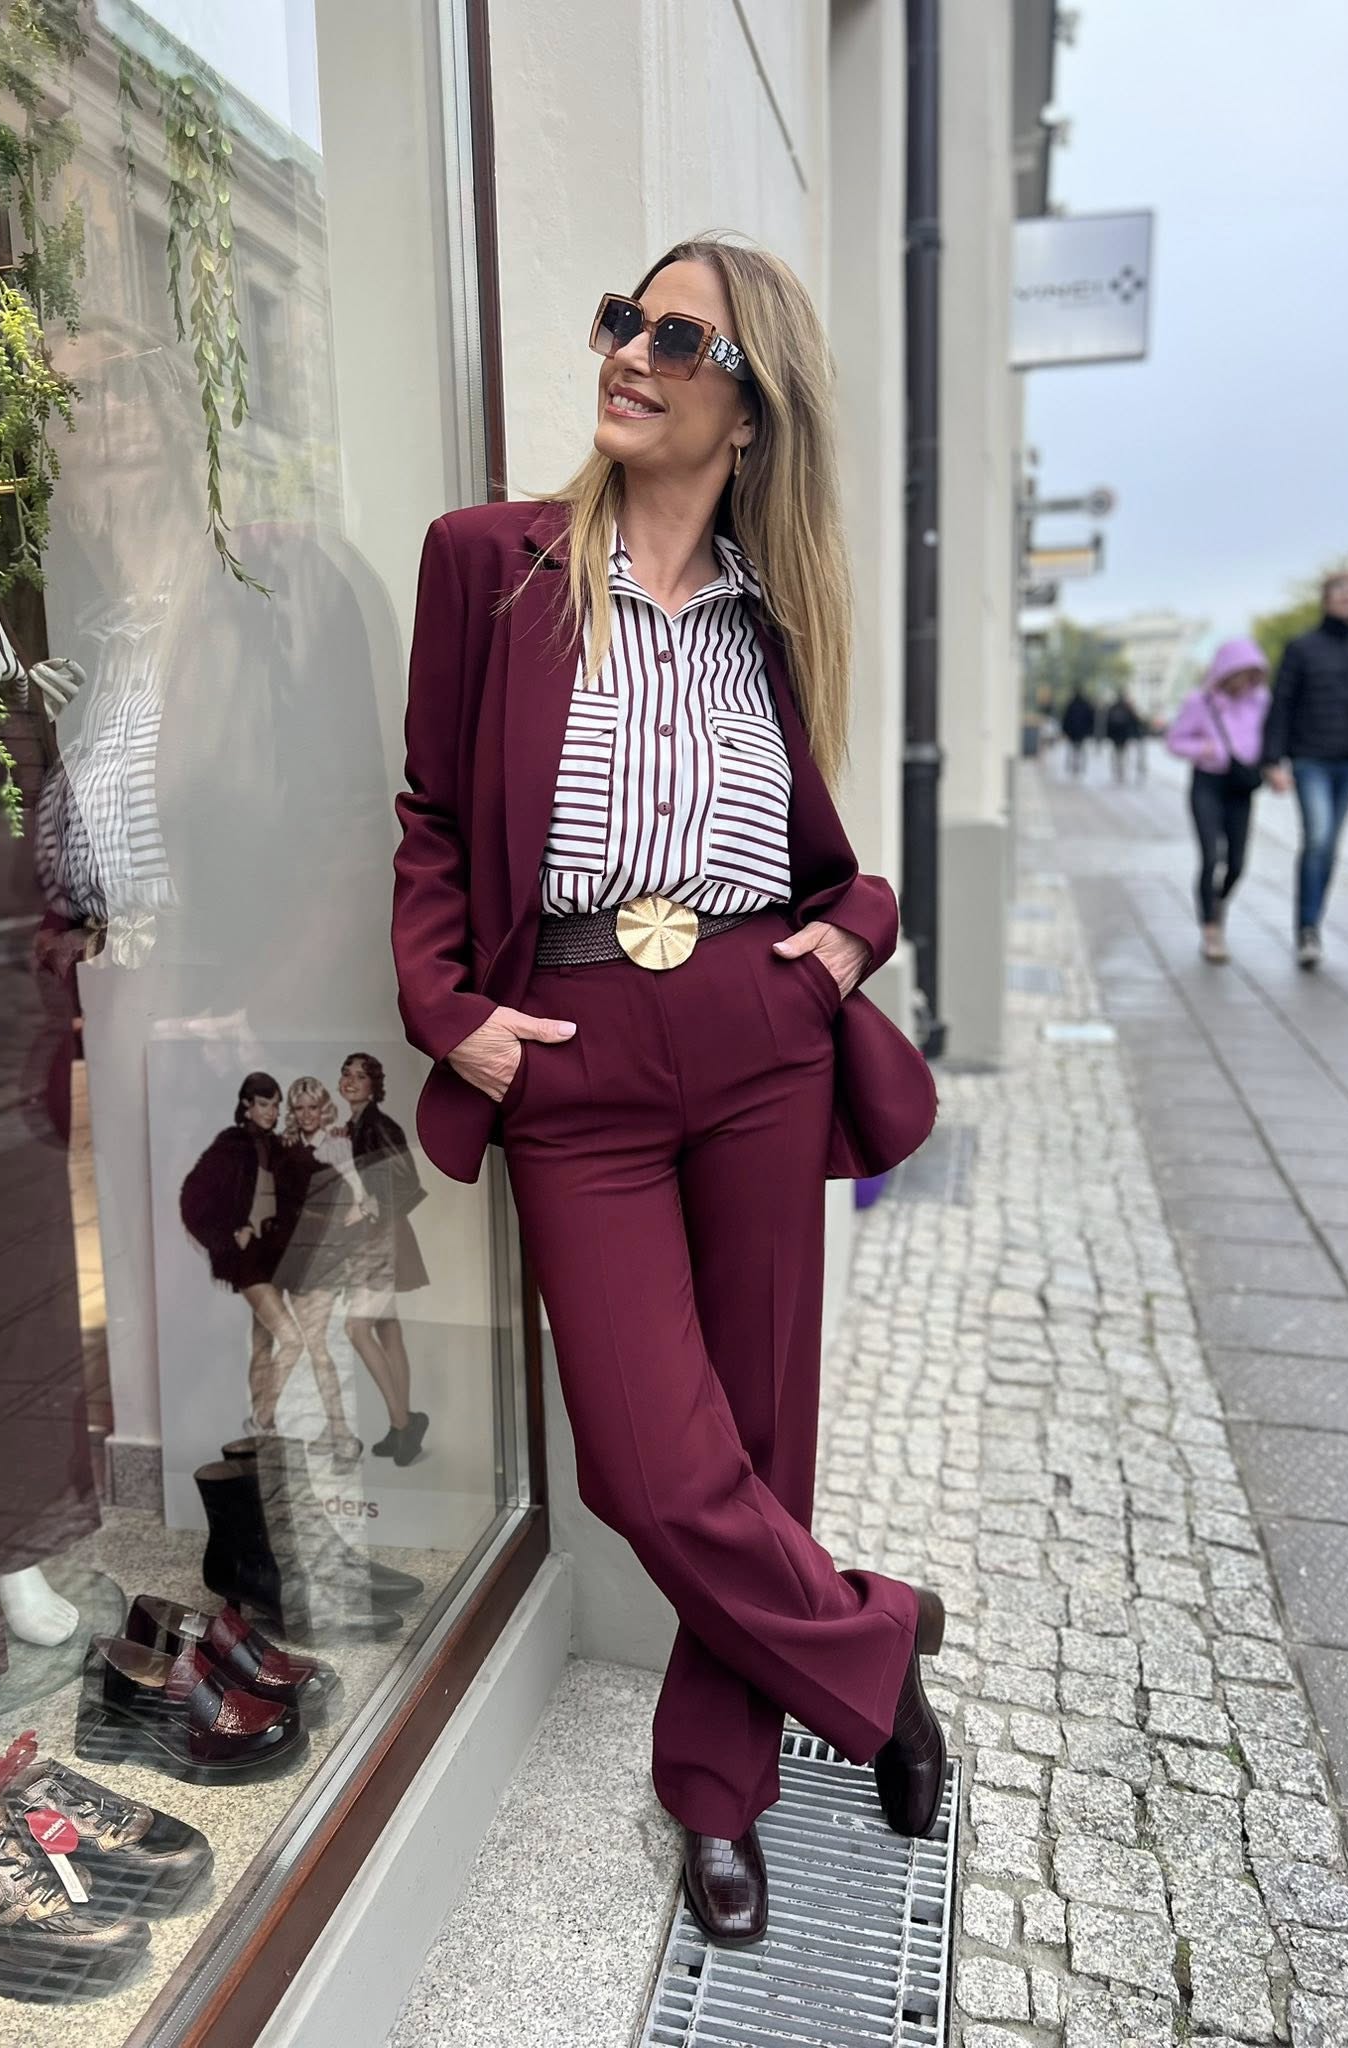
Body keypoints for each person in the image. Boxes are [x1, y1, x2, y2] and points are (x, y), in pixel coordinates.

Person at [390, 237, 943, 1950]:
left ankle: (718, 1790)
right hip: (574, 1049)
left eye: (678, 336)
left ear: (750, 410)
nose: (630, 351)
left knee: (757, 1435)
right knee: (644, 1458)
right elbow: (429, 813)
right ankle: (876, 1655)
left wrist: (846, 945)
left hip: (760, 1031)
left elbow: (828, 856)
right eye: (624, 319)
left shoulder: (775, 618)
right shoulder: (487, 564)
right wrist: (447, 1011)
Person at [179, 1073, 309, 1433]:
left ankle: (262, 1430)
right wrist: (228, 1234)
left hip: (275, 1255)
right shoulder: (231, 1145)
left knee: (263, 1342)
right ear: (247, 1106)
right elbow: (192, 1197)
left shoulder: (278, 1146)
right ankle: (262, 1419)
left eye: (276, 1105)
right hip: (249, 1259)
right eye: (264, 1104)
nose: (271, 1112)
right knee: (292, 1340)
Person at [1263, 571, 1348, 968]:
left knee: (1330, 846)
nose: (1346, 598)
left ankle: (1313, 922)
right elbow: (1282, 703)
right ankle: (1307, 928)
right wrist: (1272, 760)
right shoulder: (1301, 648)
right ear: (1325, 598)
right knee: (1318, 837)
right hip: (1311, 758)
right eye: (1339, 592)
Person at [275, 1078, 375, 1472]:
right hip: (296, 1259)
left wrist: (344, 1235)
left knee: (317, 1348)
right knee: (315, 1348)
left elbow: (361, 1197)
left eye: (312, 1108)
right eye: (299, 1108)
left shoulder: (335, 1145)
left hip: (325, 1260)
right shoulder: (289, 1147)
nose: (306, 1115)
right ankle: (332, 1429)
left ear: (323, 1109)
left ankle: (344, 1437)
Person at [336, 1053, 430, 1469]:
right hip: (376, 1236)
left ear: (375, 1087)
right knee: (387, 1327)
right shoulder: (358, 1125)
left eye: (362, 1076)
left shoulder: (380, 1126)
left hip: (383, 1236)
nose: (352, 1081)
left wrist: (368, 1207)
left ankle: (405, 1422)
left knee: (356, 1328)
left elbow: (409, 1182)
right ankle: (400, 1426)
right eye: (347, 1074)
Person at [1166, 639, 1271, 963]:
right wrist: (1204, 749)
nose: (1243, 680)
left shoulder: (1261, 701)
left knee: (1237, 864)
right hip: (1208, 783)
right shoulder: (1200, 702)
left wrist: (1272, 766)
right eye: (1238, 673)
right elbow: (1174, 741)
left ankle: (1217, 901)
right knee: (1211, 856)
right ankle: (1210, 928)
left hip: (1241, 786)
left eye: (1250, 673)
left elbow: (1270, 739)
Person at [1104, 691, 1145, 782]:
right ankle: (1121, 771)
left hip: (1115, 736)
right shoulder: (1127, 708)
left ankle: (1117, 769)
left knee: (1116, 753)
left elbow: (1107, 723)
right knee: (1123, 754)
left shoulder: (1113, 708)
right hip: (1124, 736)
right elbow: (1134, 721)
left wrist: (1108, 735)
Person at [1061, 687, 1096, 776]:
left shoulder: (1071, 704)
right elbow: (1091, 718)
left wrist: (1065, 730)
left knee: (1073, 749)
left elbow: (1065, 719)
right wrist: (1090, 730)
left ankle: (1074, 766)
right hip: (1082, 731)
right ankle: (1080, 766)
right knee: (1081, 749)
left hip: (1073, 731)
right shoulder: (1086, 704)